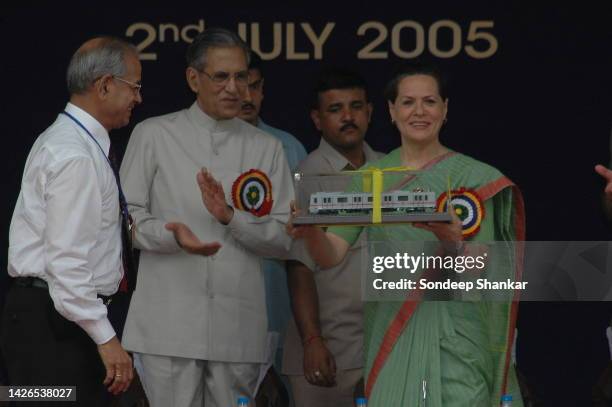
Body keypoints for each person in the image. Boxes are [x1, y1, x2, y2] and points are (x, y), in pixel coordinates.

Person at [289, 61, 526, 406]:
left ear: (445, 109)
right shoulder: (371, 179)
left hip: (459, 341)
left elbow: (483, 273)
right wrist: (310, 232)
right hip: (393, 333)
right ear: (391, 110)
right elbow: (330, 254)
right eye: (408, 102)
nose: (419, 111)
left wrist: (453, 244)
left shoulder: (475, 178)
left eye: (429, 101)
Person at [119, 28, 295, 407]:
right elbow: (123, 222)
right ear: (193, 79)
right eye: (221, 77)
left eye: (242, 77)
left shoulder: (268, 148)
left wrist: (231, 217)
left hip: (238, 327)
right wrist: (171, 237)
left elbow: (284, 238)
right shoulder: (153, 134)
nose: (234, 88)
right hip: (167, 325)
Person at [2, 37, 142, 406]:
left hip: (54, 317)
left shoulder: (70, 140)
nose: (138, 98)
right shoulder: (74, 154)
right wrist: (106, 338)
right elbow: (65, 262)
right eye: (135, 87)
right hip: (56, 327)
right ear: (105, 85)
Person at [282, 67, 383, 407]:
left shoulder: (393, 172)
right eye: (335, 109)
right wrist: (312, 340)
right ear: (317, 119)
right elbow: (299, 268)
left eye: (356, 107)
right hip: (327, 353)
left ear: (370, 112)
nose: (348, 117)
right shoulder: (303, 179)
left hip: (386, 348)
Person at [238, 52, 307, 388]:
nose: (247, 97)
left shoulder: (290, 148)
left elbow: (304, 235)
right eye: (241, 87)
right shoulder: (200, 148)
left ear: (263, 90)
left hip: (278, 296)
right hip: (226, 300)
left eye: (255, 87)